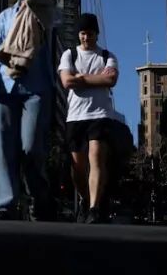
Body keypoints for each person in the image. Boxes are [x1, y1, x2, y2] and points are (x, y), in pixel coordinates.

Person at [0, 0, 59, 221]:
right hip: (5, 86)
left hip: (35, 89)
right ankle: (5, 204)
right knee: (2, 147)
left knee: (30, 148)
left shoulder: (44, 9)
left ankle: (40, 196)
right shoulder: (4, 16)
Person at [58, 13, 119, 224]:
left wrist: (81, 78)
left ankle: (94, 208)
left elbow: (110, 78)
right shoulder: (69, 55)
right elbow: (66, 81)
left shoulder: (107, 56)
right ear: (78, 34)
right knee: (77, 167)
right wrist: (95, 79)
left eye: (90, 33)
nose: (86, 37)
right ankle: (86, 198)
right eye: (83, 33)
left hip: (100, 115)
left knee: (96, 157)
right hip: (75, 116)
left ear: (96, 34)